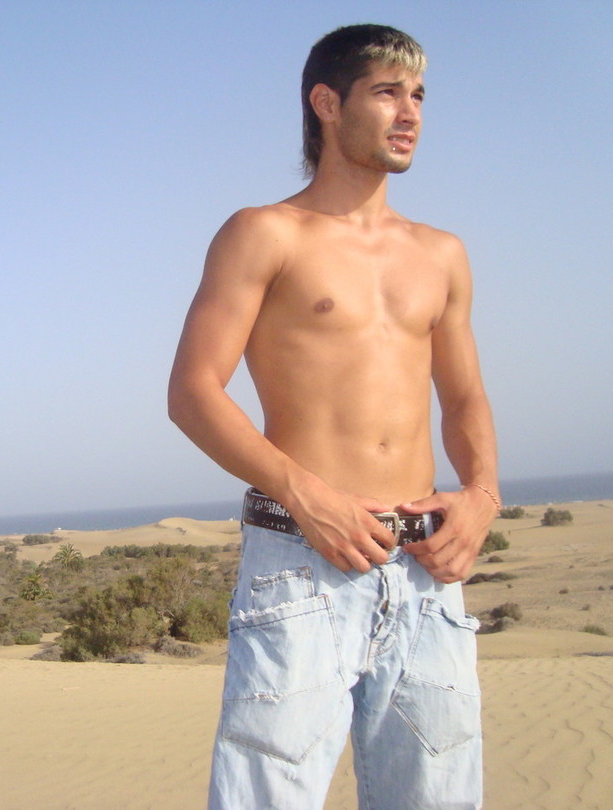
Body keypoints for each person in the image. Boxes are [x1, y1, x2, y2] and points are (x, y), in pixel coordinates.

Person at [167, 24, 498, 810]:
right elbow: (193, 392)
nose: (410, 113)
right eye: (387, 92)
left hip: (423, 569)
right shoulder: (264, 233)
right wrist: (304, 494)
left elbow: (464, 399)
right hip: (302, 559)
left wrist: (482, 496)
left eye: (418, 96)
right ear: (326, 103)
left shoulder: (442, 254)